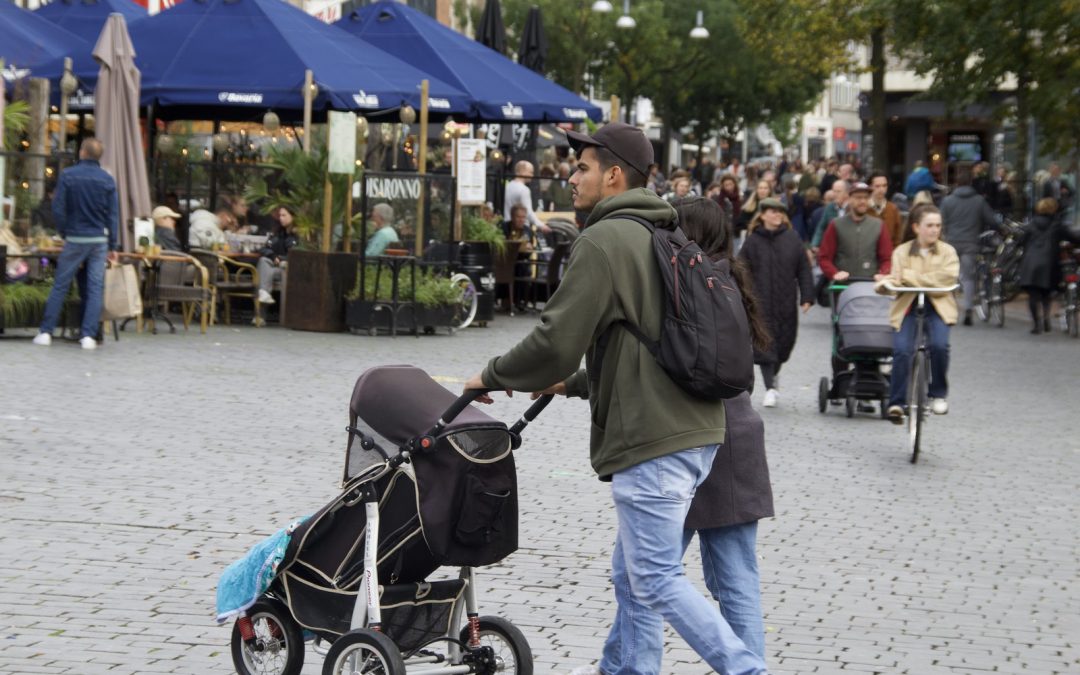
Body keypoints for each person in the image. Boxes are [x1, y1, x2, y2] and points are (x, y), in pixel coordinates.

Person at [463, 122, 768, 675]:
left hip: (654, 439)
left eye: (581, 167)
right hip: (696, 431)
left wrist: (489, 375)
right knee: (632, 574)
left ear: (613, 176)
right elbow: (639, 346)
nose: (571, 177)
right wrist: (573, 382)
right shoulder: (663, 233)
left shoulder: (606, 239)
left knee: (654, 577)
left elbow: (556, 341)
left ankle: (748, 670)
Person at [591, 196, 775, 675]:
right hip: (739, 441)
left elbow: (658, 366)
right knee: (734, 579)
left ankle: (638, 668)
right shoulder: (728, 279)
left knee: (643, 575)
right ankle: (623, 665)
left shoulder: (687, 282)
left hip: (688, 436)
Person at [33, 138, 119, 350]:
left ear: (82, 152)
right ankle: (88, 336)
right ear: (98, 156)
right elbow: (113, 215)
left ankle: (46, 332)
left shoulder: (68, 175)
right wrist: (113, 245)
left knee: (61, 285)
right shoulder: (107, 180)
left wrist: (64, 232)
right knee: (95, 288)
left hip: (75, 238)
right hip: (98, 240)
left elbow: (58, 208)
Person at [877, 205, 959, 422]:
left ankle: (938, 394)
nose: (935, 230)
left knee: (939, 346)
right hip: (908, 306)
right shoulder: (901, 252)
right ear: (916, 227)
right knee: (902, 351)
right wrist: (896, 281)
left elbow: (947, 278)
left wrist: (909, 276)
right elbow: (897, 279)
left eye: (938, 226)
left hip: (938, 307)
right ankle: (896, 403)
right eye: (929, 225)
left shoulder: (948, 252)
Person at [739, 198, 815, 408]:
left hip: (786, 302)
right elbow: (740, 270)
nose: (777, 215)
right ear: (763, 215)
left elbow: (803, 269)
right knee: (764, 347)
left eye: (780, 212)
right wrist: (741, 295)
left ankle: (773, 376)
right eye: (773, 211)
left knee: (783, 346)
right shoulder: (753, 241)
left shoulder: (792, 239)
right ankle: (770, 388)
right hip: (760, 303)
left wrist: (807, 297)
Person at [940, 168, 999, 326]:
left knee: (950, 276)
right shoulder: (979, 200)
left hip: (951, 242)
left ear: (957, 183)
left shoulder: (948, 201)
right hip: (971, 243)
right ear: (971, 183)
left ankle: (949, 309)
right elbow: (991, 220)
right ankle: (968, 309)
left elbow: (941, 220)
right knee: (968, 278)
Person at [1018, 198, 1076, 334]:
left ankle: (1036, 324)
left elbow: (1021, 241)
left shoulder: (1031, 224)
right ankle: (1046, 318)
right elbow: (1073, 237)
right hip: (1049, 262)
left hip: (1031, 262)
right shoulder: (1057, 225)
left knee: (1033, 295)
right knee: (1046, 293)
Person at [817, 182, 892, 282]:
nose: (863, 201)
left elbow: (887, 258)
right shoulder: (836, 225)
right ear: (849, 199)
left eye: (866, 198)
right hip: (842, 285)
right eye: (858, 197)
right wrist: (834, 273)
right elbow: (824, 257)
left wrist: (883, 273)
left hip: (870, 284)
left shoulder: (879, 225)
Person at [256, 206, 299, 305]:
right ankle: (264, 293)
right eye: (280, 215)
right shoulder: (278, 233)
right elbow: (264, 248)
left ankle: (262, 298)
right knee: (263, 261)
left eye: (284, 215)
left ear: (292, 216)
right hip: (274, 267)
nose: (281, 218)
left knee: (262, 274)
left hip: (288, 270)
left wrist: (281, 258)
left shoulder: (298, 235)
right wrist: (272, 256)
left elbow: (297, 256)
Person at [504, 160, 552, 239]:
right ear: (522, 171)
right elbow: (528, 212)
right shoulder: (524, 190)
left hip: (507, 227)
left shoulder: (508, 186)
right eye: (530, 172)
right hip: (521, 229)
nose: (532, 175)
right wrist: (541, 225)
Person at [868, 172, 904, 247]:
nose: (882, 189)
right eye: (877, 186)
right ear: (870, 187)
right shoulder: (864, 208)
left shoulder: (893, 209)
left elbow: (898, 237)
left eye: (884, 186)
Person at [811, 180, 849, 249]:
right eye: (834, 191)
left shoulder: (852, 207)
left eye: (838, 191)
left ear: (847, 193)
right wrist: (815, 244)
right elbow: (821, 227)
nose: (835, 194)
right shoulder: (829, 207)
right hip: (833, 246)